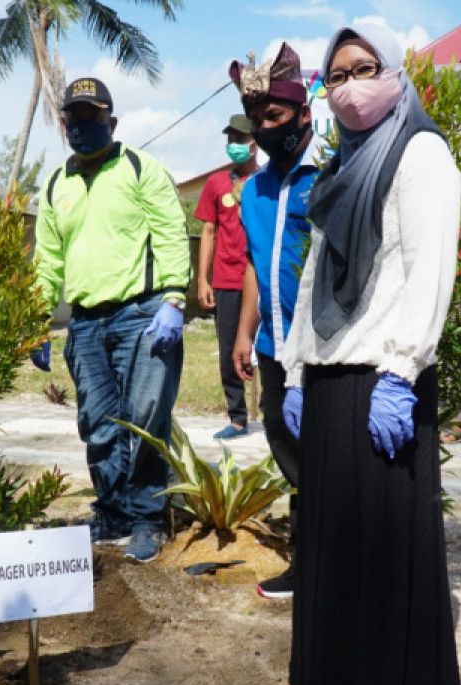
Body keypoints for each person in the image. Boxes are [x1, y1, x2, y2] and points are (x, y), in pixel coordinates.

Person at [279, 23, 461, 685]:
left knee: (386, 552)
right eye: (338, 74)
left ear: (394, 72)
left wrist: (401, 371)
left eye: (366, 68)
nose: (351, 85)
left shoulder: (421, 155)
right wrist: (295, 370)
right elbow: (311, 278)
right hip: (329, 380)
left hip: (384, 379)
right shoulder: (343, 166)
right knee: (331, 550)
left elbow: (429, 272)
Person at [32, 77, 191, 564]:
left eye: (91, 116)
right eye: (73, 118)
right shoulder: (57, 183)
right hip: (85, 324)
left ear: (112, 121)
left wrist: (174, 299)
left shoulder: (141, 169)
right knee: (97, 424)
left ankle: (146, 518)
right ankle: (114, 511)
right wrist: (38, 318)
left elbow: (169, 232)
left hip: (143, 316)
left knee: (145, 419)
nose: (81, 126)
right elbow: (47, 258)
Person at [228, 43, 319, 601]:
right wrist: (243, 332)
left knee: (328, 458)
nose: (265, 128)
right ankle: (308, 564)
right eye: (257, 120)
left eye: (276, 117)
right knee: (289, 453)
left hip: (327, 350)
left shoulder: (332, 176)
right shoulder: (253, 191)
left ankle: (328, 563)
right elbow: (256, 268)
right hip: (272, 346)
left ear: (304, 115)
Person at [194, 113, 257, 440]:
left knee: (270, 351)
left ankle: (279, 415)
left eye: (240, 139)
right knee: (228, 351)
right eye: (230, 139)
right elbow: (208, 231)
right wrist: (203, 280)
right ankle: (237, 418)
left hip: (261, 281)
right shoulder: (216, 183)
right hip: (227, 282)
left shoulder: (266, 180)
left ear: (255, 143)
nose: (234, 145)